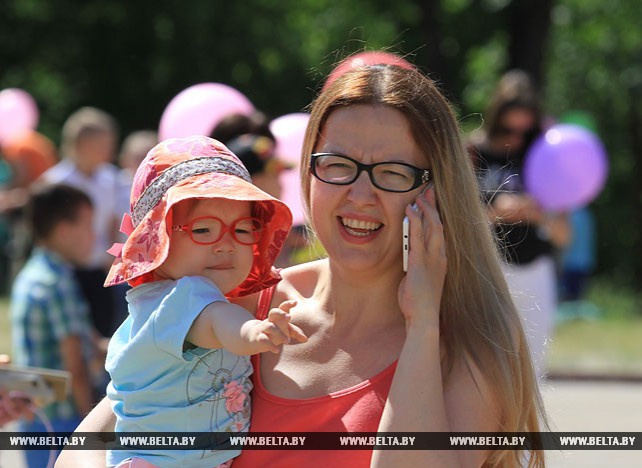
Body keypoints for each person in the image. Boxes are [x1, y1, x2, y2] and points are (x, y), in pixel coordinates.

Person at [57, 62, 545, 468]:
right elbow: (98, 435)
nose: (360, 194)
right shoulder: (244, 299)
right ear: (308, 171)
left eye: (393, 172)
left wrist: (421, 324)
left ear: (435, 194)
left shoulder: (470, 347)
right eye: (337, 163)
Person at [102, 136, 306, 467]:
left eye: (244, 229)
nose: (226, 244)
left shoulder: (163, 300)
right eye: (205, 229)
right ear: (158, 241)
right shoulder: (184, 296)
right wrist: (255, 331)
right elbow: (217, 323)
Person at [469, 69, 570, 378]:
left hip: (535, 267)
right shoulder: (473, 152)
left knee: (532, 365)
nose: (516, 137)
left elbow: (565, 236)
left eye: (524, 131)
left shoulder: (545, 155)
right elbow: (457, 219)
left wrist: (538, 214)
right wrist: (497, 212)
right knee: (486, 365)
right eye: (507, 129)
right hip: (488, 268)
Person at [10, 183, 99, 468]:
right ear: (63, 231)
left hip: (36, 419)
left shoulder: (33, 273)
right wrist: (92, 427)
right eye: (87, 226)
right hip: (65, 420)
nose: (93, 236)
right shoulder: (58, 284)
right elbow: (76, 367)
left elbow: (88, 341)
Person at [41, 107, 123, 339]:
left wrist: (113, 260)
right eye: (102, 143)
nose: (109, 150)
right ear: (81, 144)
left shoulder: (110, 178)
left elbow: (112, 225)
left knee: (104, 332)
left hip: (99, 270)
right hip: (65, 271)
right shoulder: (56, 182)